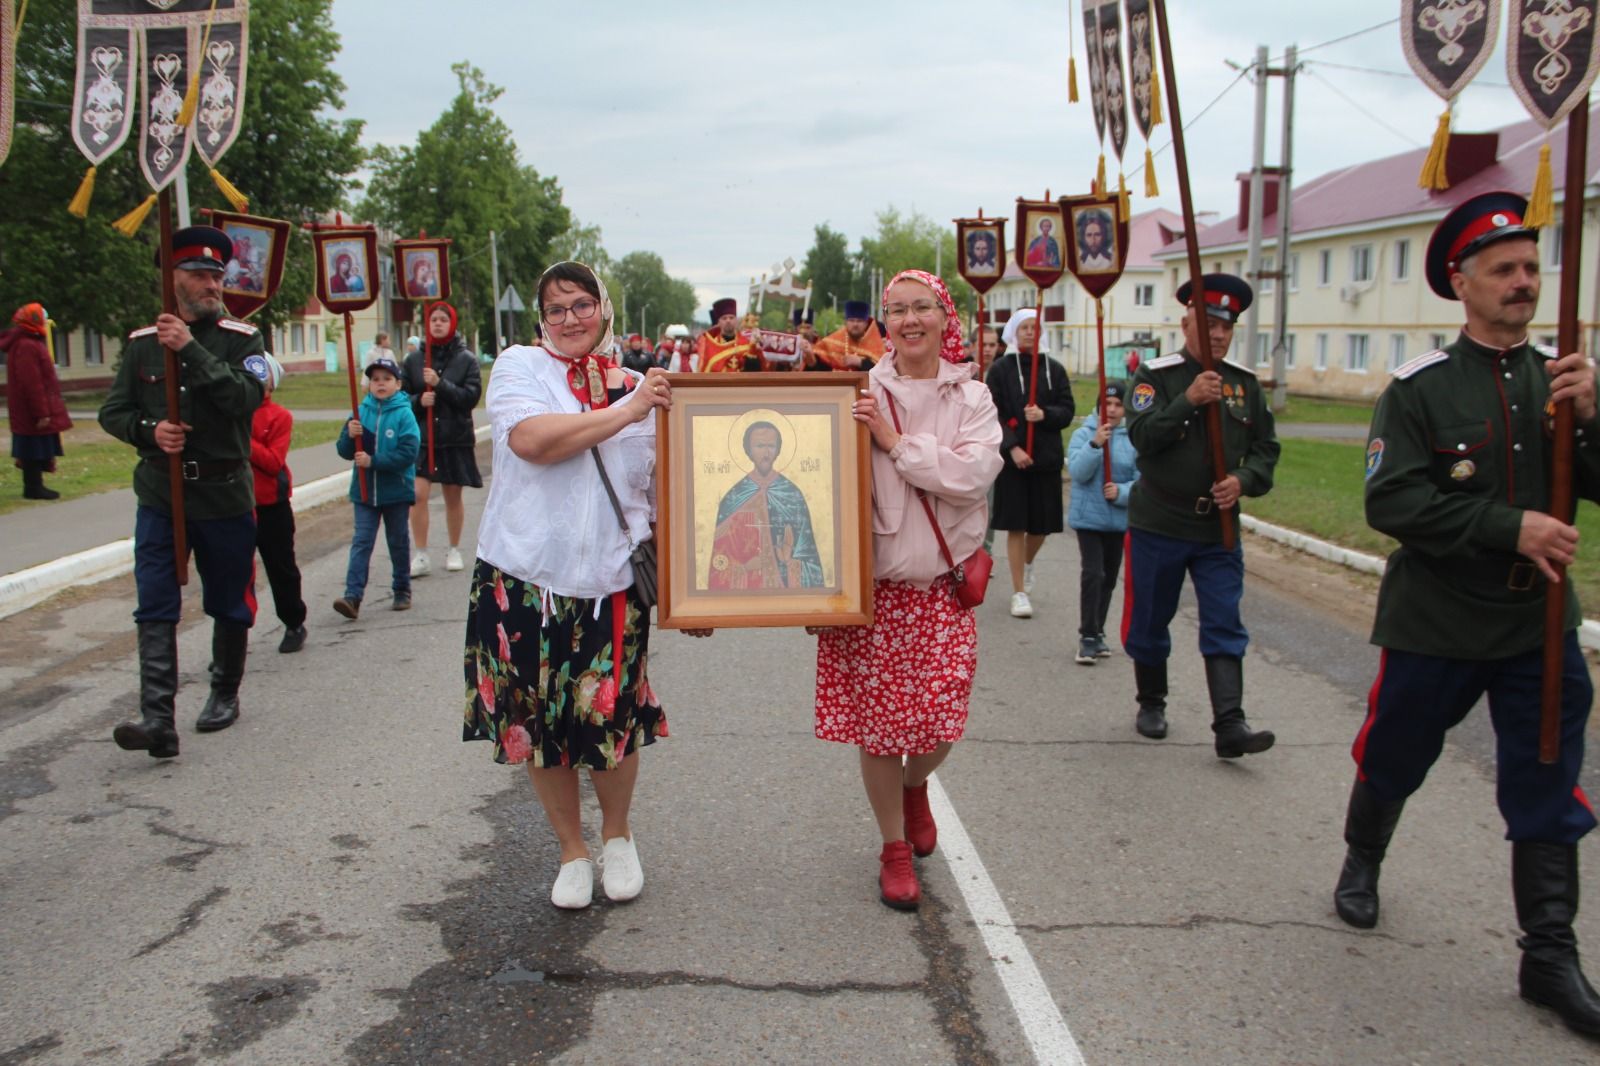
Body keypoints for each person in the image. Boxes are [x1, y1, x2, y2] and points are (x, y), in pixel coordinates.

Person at [1332, 192, 1600, 1038]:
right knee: (1395, 752)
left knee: (1549, 783)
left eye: (1531, 268)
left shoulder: (1564, 379)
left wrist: (1594, 417)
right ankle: (1363, 858)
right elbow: (1394, 502)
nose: (1525, 282)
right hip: (1438, 622)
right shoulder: (1421, 389)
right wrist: (1507, 526)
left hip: (1539, 626)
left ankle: (1549, 957)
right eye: (1505, 270)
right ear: (1463, 283)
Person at [464, 260, 676, 910]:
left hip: (611, 582)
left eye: (582, 304)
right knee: (537, 720)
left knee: (608, 716)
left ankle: (617, 837)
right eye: (556, 309)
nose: (570, 319)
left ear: (603, 309)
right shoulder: (521, 369)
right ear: (541, 320)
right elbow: (533, 441)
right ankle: (570, 851)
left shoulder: (643, 387)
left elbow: (665, 489)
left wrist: (693, 584)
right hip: (522, 578)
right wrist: (629, 408)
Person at [814, 269, 1003, 910]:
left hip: (943, 592)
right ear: (884, 323)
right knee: (878, 733)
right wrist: (816, 587)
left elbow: (971, 476)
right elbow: (821, 491)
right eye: (897, 310)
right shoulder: (856, 392)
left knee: (939, 725)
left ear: (946, 318)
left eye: (922, 307)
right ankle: (894, 847)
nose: (909, 319)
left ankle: (916, 787)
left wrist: (895, 444)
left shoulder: (971, 398)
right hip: (875, 596)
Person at [98, 225, 266, 758]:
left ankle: (224, 691)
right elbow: (114, 412)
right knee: (155, 603)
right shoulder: (143, 345)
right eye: (198, 274)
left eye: (217, 274)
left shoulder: (244, 340)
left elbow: (244, 399)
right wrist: (150, 433)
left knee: (228, 600)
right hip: (161, 495)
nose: (212, 283)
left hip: (223, 494)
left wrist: (190, 348)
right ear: (173, 280)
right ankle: (157, 719)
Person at [1123, 273, 1279, 755]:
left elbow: (1265, 451)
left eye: (1226, 327)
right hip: (1159, 522)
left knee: (1224, 619)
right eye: (1209, 323)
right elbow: (1143, 438)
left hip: (1217, 527)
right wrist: (1188, 400)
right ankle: (1152, 700)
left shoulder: (1244, 386)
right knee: (1150, 620)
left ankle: (1229, 723)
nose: (1217, 334)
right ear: (1187, 322)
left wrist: (1244, 480)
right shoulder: (1156, 377)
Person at [988, 308, 1074, 619]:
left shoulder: (1055, 369)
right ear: (1013, 331)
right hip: (1014, 462)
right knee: (1016, 525)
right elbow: (993, 413)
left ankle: (1025, 564)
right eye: (1024, 327)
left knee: (1041, 527)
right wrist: (1012, 448)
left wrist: (1045, 415)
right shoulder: (1000, 370)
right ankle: (1019, 591)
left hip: (1046, 459)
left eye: (1034, 327)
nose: (1029, 332)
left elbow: (1067, 409)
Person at [333, 354, 420, 618]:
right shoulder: (359, 414)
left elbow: (409, 452)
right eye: (375, 379)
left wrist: (374, 461)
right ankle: (353, 596)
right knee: (361, 541)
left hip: (396, 490)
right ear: (368, 384)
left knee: (398, 540)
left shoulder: (404, 415)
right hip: (364, 491)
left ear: (398, 383)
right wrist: (350, 437)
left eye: (387, 379)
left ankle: (402, 588)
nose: (380, 384)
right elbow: (344, 451)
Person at [403, 301, 483, 576]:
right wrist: (418, 400)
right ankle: (422, 553)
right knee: (417, 493)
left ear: (452, 323)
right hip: (422, 437)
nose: (437, 323)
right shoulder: (414, 359)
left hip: (454, 436)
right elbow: (400, 396)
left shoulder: (466, 359)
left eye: (442, 319)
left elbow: (470, 397)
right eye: (433, 319)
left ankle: (453, 548)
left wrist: (441, 385)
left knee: (452, 494)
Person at [1066, 381, 1138, 663]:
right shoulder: (1083, 434)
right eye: (1107, 404)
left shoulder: (1134, 438)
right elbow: (1078, 472)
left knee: (1109, 577)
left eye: (1118, 404)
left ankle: (1098, 631)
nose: (1112, 409)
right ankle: (1086, 635)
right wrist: (1096, 444)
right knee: (1093, 574)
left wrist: (1122, 492)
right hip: (1089, 518)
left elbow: (1142, 480)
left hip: (1117, 519)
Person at [708, 421, 825, 589]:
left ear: (778, 450)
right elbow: (719, 563)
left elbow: (811, 561)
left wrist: (788, 562)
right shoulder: (733, 498)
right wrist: (746, 568)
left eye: (771, 446)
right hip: (745, 602)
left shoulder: (792, 495)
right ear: (748, 450)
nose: (766, 452)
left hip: (785, 598)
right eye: (759, 445)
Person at [246, 353, 308, 653]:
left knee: (281, 568)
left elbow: (273, 461)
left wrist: (242, 440)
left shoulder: (279, 416)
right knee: (234, 573)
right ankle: (232, 635)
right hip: (235, 505)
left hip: (271, 505)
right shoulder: (229, 415)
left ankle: (294, 622)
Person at [3, 303, 72, 500]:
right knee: (32, 447)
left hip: (30, 408)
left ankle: (36, 485)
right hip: (29, 410)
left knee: (36, 445)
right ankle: (33, 487)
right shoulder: (26, 345)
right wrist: (41, 412)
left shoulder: (29, 342)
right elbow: (31, 382)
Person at [810, 300, 885, 371]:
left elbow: (883, 370)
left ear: (866, 323)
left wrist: (860, 362)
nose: (855, 324)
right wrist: (809, 355)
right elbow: (819, 362)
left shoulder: (875, 343)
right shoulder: (834, 340)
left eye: (859, 321)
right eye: (851, 320)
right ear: (846, 322)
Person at [696, 298, 760, 373]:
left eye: (731, 318)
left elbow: (753, 373)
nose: (728, 321)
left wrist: (753, 348)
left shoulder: (747, 344)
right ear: (719, 322)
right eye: (724, 318)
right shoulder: (710, 346)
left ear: (736, 320)